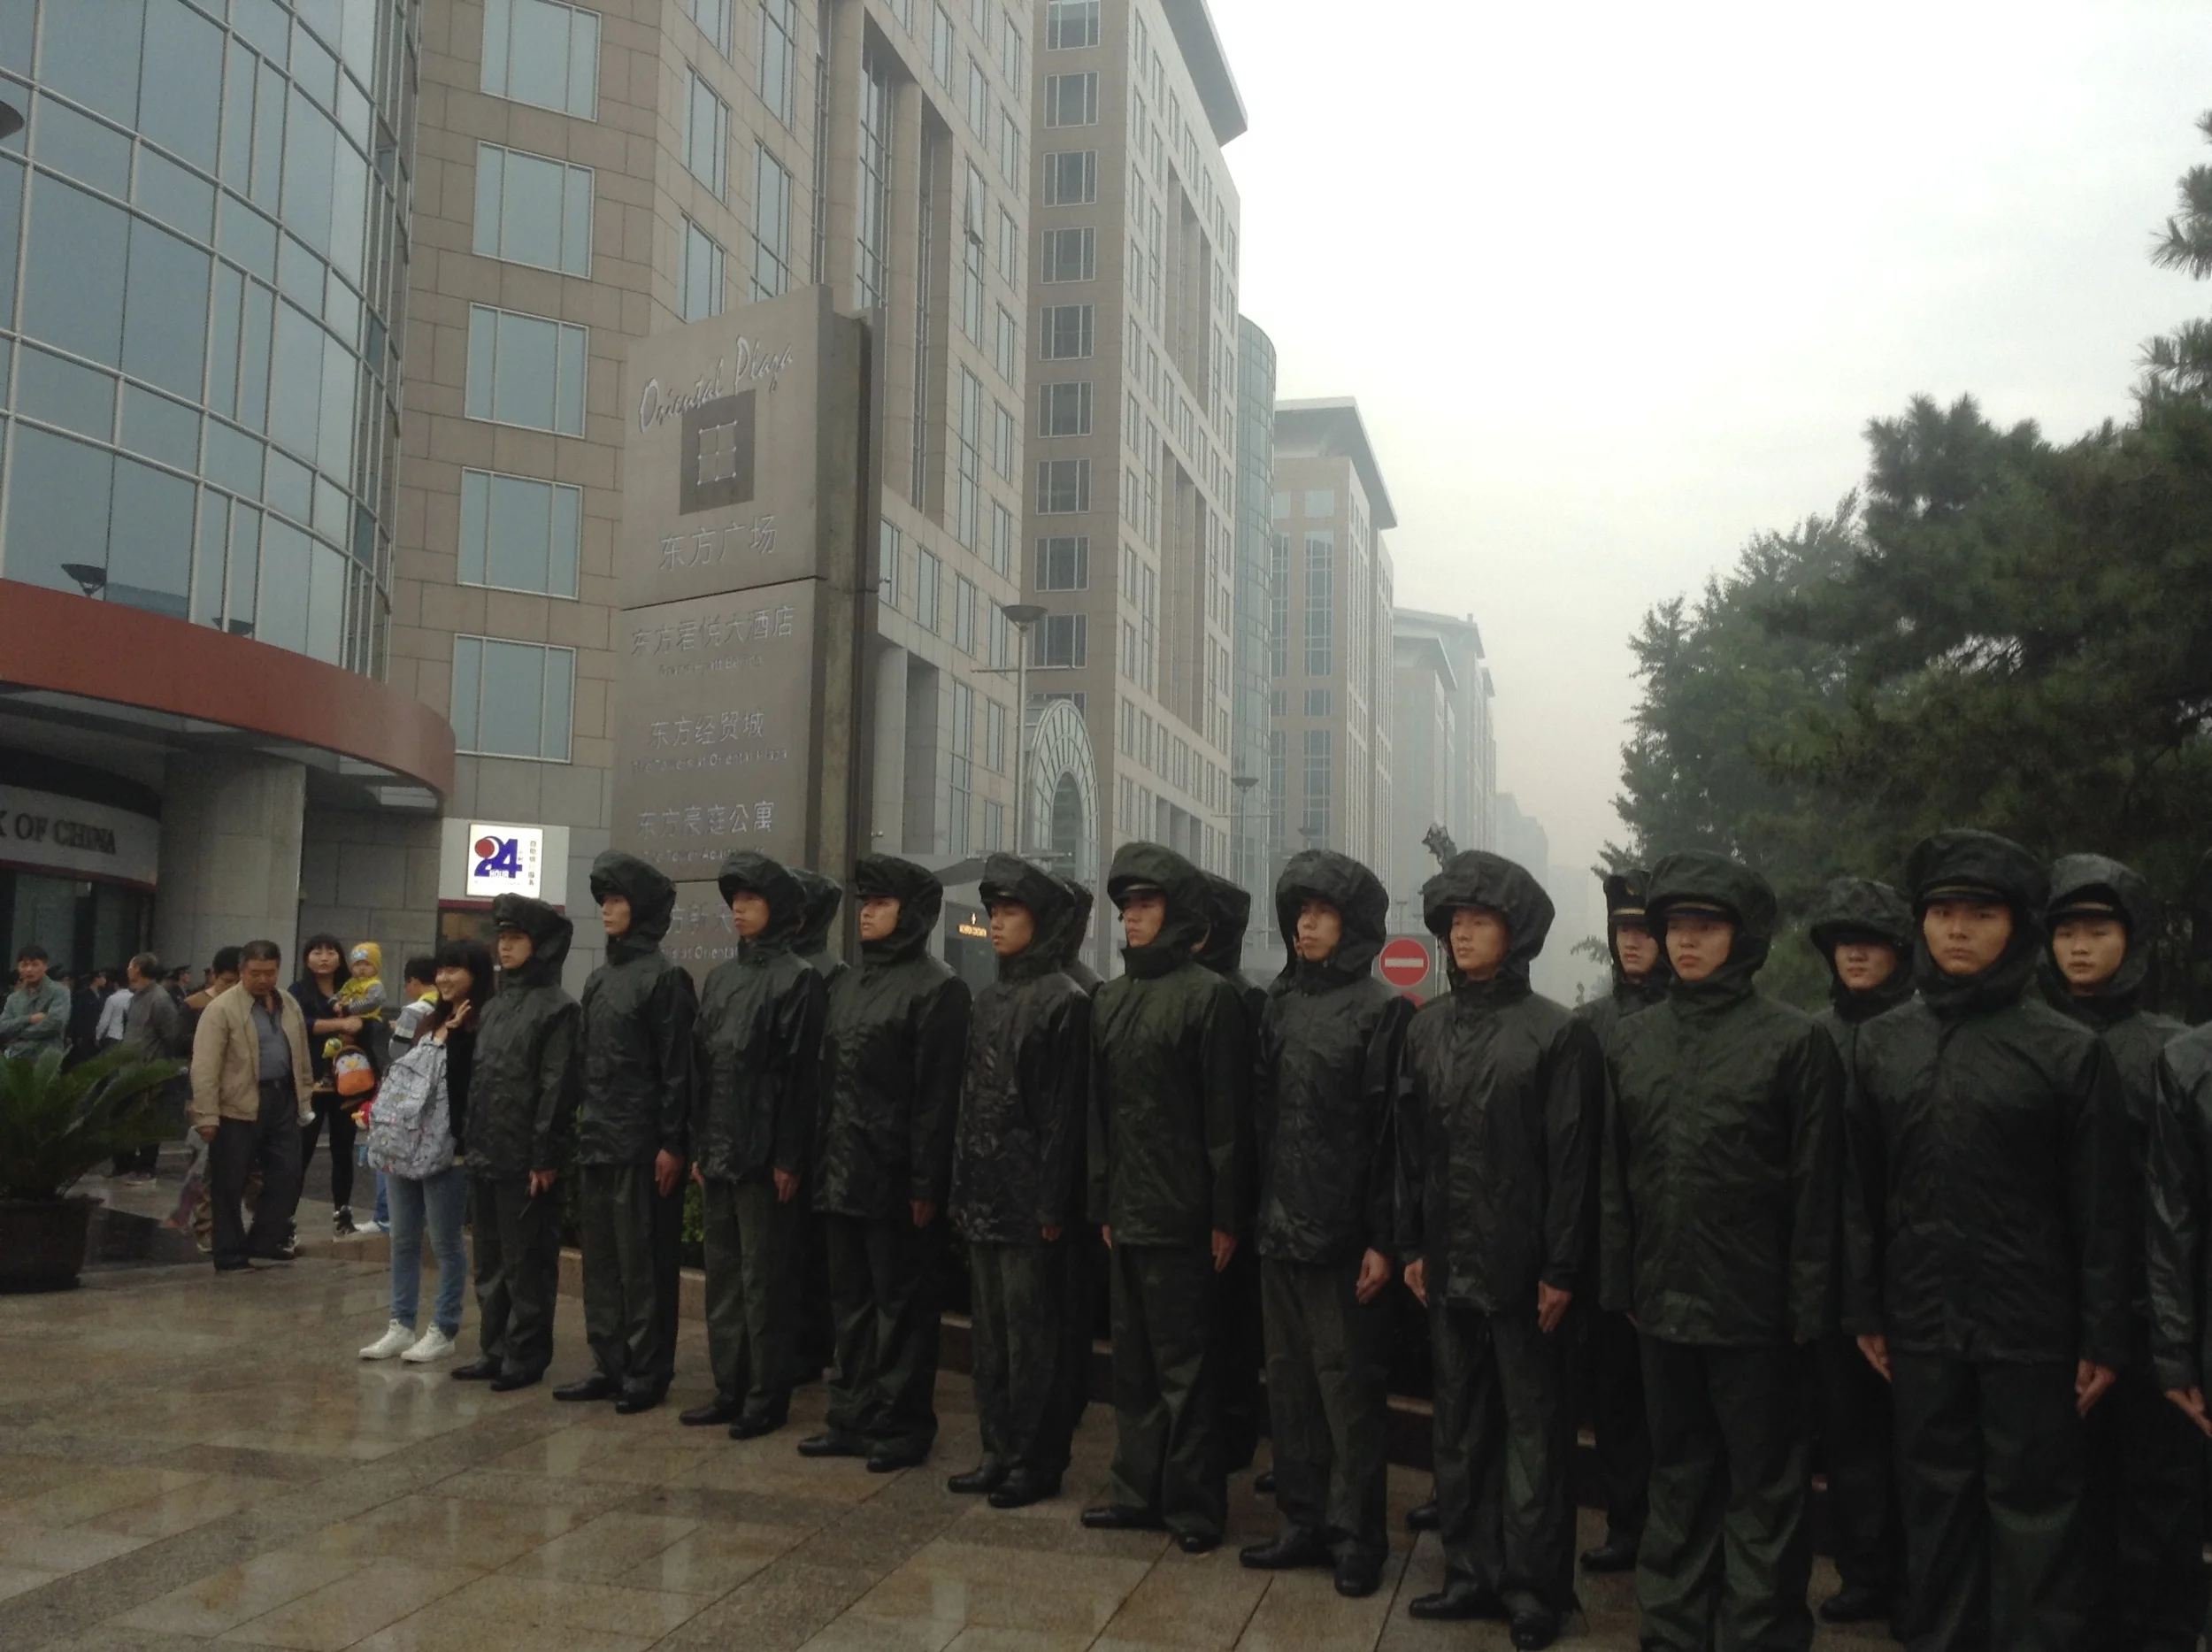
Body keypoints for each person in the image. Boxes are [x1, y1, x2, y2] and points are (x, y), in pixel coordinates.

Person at [1842, 831, 2125, 1652]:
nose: (1958, 930)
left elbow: (2101, 1209)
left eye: (1980, 914)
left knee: (2035, 1507)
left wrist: (2103, 1332)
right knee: (1934, 1496)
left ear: (2017, 926)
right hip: (1920, 1317)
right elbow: (1857, 1190)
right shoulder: (1883, 1043)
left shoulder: (2067, 1050)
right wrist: (1864, 1306)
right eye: (1942, 913)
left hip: (2032, 1324)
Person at [1601, 851, 1839, 1652]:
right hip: (1662, 1300)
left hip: (1757, 1307)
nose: (1686, 941)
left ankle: (1761, 1631)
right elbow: (1615, 1176)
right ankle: (1673, 1626)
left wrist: (1809, 1300)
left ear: (1742, 936)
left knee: (1766, 1483)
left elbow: (1817, 1185)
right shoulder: (1633, 1042)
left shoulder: (1794, 1043)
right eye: (1676, 926)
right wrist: (1622, 1280)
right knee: (1678, 1470)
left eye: (1706, 926)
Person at [1394, 853, 1597, 1647]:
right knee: (1460, 1424)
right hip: (1447, 1261)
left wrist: (1562, 1266)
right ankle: (1469, 1571)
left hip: (1524, 1268)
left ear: (1515, 934)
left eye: (1480, 921)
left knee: (1534, 1433)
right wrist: (1411, 1242)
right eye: (1454, 921)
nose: (1462, 934)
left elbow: (1572, 1162)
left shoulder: (1556, 1033)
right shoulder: (1425, 1028)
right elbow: (1410, 1150)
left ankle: (1535, 1590)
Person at [1238, 851, 1412, 1601]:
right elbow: (1261, 1118)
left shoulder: (1382, 1011)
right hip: (1280, 1227)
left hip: (1345, 1239)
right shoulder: (1279, 1004)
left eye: (1322, 913)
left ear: (1354, 925)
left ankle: (1357, 1537)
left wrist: (1383, 1238)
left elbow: (1392, 1138)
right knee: (1291, 1387)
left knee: (1348, 1393)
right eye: (1300, 912)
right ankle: (1302, 1519)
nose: (1306, 925)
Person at [2046, 855, 2200, 1650]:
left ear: (2131, 939)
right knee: (2068, 1491)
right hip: (2051, 1308)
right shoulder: (2029, 1041)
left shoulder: (2172, 1050)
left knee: (2159, 1493)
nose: (2079, 946)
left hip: (2149, 1311)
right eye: (2065, 930)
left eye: (2098, 930)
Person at [1081, 842, 1248, 1554]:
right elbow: (1099, 1114)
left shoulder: (1211, 998)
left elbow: (1227, 1122)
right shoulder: (1109, 1000)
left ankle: (1193, 1507)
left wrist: (1225, 1216)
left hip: (1184, 1217)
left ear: (1176, 913)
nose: (1133, 916)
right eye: (1127, 906)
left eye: (1147, 904)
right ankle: (1134, 1492)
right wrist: (1103, 1203)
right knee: (1136, 1365)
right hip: (1129, 1212)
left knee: (1186, 1370)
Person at [804, 854, 970, 1472]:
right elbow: (827, 1084)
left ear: (912, 913)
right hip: (843, 1170)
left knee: (901, 1308)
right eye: (864, 903)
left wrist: (927, 1183)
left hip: (897, 1179)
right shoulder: (847, 984)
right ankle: (850, 1415)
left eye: (880, 903)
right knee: (849, 1302)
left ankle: (900, 1426)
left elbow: (937, 1099)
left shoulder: (939, 988)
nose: (866, 913)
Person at [948, 854, 1090, 1508]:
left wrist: (1053, 1202)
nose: (997, 923)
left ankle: (1035, 1461)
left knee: (1034, 1338)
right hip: (985, 1194)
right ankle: (996, 1449)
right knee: (993, 1335)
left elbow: (1064, 1117)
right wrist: (961, 1188)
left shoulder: (1065, 1001)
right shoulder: (987, 999)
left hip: (1032, 1202)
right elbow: (969, 1104)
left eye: (1011, 912)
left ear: (1042, 920)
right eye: (994, 912)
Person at [1802, 876, 1915, 1628]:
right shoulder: (1811, 1035)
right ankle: (1864, 1570)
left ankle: (1915, 1578)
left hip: (1909, 1265)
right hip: (1827, 1263)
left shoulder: (1920, 1032)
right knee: (1847, 1433)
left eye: (1871, 942)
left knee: (1914, 1436)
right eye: (1844, 943)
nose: (1856, 955)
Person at [687, 850, 828, 1435]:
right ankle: (730, 1387)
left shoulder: (799, 978)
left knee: (764, 1281)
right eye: (735, 901)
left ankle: (766, 1398)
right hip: (720, 1150)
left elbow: (802, 1079)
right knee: (723, 1277)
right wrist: (700, 1145)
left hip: (766, 1157)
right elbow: (702, 1067)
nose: (739, 910)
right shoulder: (721, 979)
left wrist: (790, 1156)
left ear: (779, 908)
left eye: (751, 899)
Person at [555, 852, 695, 1415]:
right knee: (603, 1262)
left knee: (643, 1264)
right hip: (599, 1142)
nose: (607, 910)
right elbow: (586, 1062)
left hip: (642, 1147)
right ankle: (608, 1362)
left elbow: (678, 1070)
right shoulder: (599, 980)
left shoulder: (665, 979)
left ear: (640, 908)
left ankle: (647, 1369)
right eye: (604, 901)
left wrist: (672, 1143)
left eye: (617, 901)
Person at [1564, 868, 1669, 1570]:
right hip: (1603, 1243)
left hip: (1671, 1239)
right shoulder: (1588, 1026)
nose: (1633, 943)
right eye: (1623, 930)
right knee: (1616, 1396)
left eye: (1645, 930)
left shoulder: (1685, 1022)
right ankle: (1627, 1522)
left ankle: (1677, 1531)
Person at [451, 895, 579, 1392]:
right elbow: (482, 1080)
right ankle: (494, 1349)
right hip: (487, 1151)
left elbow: (557, 1088)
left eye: (516, 938)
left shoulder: (559, 1009)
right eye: (501, 938)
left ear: (540, 945)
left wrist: (544, 1156)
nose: (504, 947)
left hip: (526, 1157)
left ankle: (525, 1355)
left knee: (527, 1263)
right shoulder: (496, 1005)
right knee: (489, 1261)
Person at [360, 940, 493, 1365]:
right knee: (402, 1239)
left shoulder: (483, 1024)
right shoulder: (429, 1019)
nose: (444, 978)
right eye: (441, 970)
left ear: (476, 975)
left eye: (455, 969)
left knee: (445, 1242)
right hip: (405, 1145)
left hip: (448, 1150)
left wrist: (453, 1035)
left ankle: (444, 1328)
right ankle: (400, 1325)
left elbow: (473, 1087)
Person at [1196, 872, 1266, 1483]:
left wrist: (1232, 1204)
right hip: (1187, 1188)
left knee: (1230, 1325)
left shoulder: (1242, 1000)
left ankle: (1233, 1431)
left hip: (1228, 1191)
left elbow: (1243, 1113)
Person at [188, 940, 311, 1273]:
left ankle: (264, 1239)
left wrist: (304, 1097)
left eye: (269, 973)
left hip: (282, 1099)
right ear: (242, 971)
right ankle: (229, 1254)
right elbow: (205, 1066)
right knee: (230, 1181)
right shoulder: (222, 1009)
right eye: (255, 973)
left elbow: (300, 1054)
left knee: (288, 1173)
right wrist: (206, 1114)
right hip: (236, 1104)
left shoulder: (288, 1003)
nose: (263, 979)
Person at [788, 865, 846, 1384]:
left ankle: (812, 1346)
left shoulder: (832, 976)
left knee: (812, 1249)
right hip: (780, 1129)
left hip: (817, 1129)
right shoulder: (776, 970)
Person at [294, 934, 366, 1236]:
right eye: (316, 951)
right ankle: (285, 1216)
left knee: (343, 1149)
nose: (323, 957)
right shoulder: (298, 991)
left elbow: (367, 1022)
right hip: (311, 1083)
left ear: (340, 958)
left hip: (348, 1082)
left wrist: (359, 1024)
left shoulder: (354, 990)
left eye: (330, 951)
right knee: (301, 1151)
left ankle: (343, 1213)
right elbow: (301, 1024)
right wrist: (340, 1024)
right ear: (306, 958)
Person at [111, 953, 186, 1182]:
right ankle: (123, 1165)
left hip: (149, 1071)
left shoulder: (160, 999)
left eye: (130, 964)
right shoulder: (136, 997)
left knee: (148, 1120)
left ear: (138, 968)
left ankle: (145, 1167)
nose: (128, 969)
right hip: (128, 1070)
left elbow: (171, 1036)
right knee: (122, 1118)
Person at [1, 943, 70, 1057]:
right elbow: (3, 1026)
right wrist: (30, 1019)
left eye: (35, 964)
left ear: (45, 966)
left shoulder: (59, 991)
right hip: (16, 1057)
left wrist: (19, 1035)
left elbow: (54, 1023)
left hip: (46, 1057)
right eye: (24, 965)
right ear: (18, 968)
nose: (29, 969)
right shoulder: (13, 998)